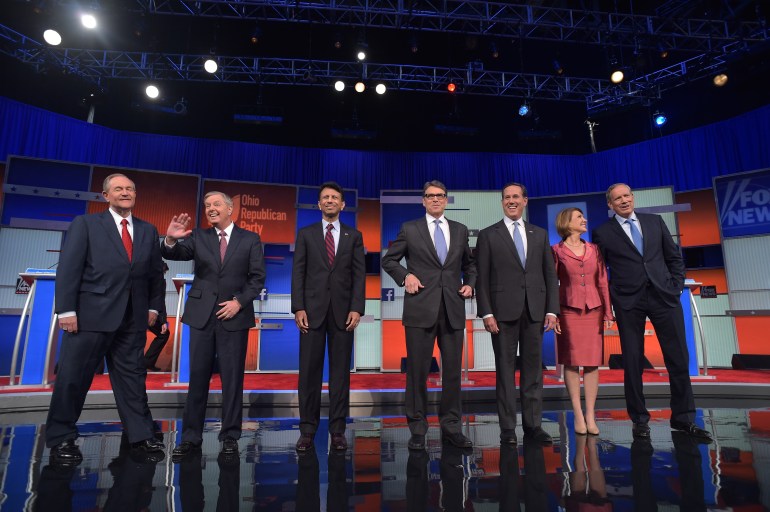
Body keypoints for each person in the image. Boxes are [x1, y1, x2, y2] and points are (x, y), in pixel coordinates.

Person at [46, 173, 165, 466]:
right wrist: (67, 310)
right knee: (74, 378)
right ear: (105, 196)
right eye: (118, 189)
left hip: (132, 318)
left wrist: (154, 308)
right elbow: (69, 268)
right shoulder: (86, 225)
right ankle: (62, 438)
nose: (125, 193)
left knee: (133, 380)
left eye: (129, 189)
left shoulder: (148, 231)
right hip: (89, 316)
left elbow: (154, 276)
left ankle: (140, 435)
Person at [592, 183, 712, 442]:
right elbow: (600, 273)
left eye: (627, 196)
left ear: (632, 198)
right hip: (628, 301)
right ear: (610, 205)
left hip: (663, 297)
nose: (623, 201)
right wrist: (610, 301)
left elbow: (674, 258)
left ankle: (684, 419)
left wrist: (676, 286)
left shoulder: (654, 222)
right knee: (633, 363)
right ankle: (639, 420)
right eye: (617, 198)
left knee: (678, 358)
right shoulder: (602, 232)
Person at [162, 191, 266, 459]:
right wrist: (171, 239)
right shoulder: (198, 236)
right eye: (207, 205)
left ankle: (230, 436)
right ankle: (191, 437)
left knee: (232, 379)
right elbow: (176, 253)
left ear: (230, 209)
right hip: (201, 316)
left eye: (216, 204)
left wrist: (239, 303)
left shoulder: (250, 239)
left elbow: (257, 278)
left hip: (234, 315)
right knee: (197, 378)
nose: (210, 209)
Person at [381, 180, 476, 451]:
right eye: (429, 196)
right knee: (418, 373)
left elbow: (470, 265)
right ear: (423, 201)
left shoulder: (459, 230)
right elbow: (389, 260)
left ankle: (451, 427)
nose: (435, 199)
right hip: (420, 309)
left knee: (453, 374)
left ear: (446, 200)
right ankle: (418, 428)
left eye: (440, 195)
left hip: (452, 309)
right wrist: (406, 276)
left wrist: (470, 283)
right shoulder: (410, 229)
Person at [475, 182, 559, 445]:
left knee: (534, 372)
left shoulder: (540, 234)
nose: (511, 201)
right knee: (505, 372)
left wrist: (552, 310)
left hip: (534, 311)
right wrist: (486, 312)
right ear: (502, 202)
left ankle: (533, 426)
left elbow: (549, 274)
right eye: (506, 197)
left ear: (525, 200)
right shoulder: (489, 235)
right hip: (501, 313)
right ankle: (508, 429)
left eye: (516, 197)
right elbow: (482, 277)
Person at [292, 182, 366, 453]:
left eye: (335, 197)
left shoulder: (353, 236)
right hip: (310, 314)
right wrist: (298, 307)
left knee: (339, 376)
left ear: (343, 204)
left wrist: (357, 307)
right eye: (325, 197)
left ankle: (338, 430)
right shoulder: (306, 234)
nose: (330, 200)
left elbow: (358, 276)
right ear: (319, 204)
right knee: (308, 375)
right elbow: (298, 273)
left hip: (343, 314)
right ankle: (307, 430)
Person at [552, 207, 614, 436]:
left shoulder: (594, 249)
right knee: (571, 362)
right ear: (567, 223)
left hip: (594, 309)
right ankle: (577, 415)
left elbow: (603, 281)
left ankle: (590, 414)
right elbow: (552, 284)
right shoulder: (555, 251)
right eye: (579, 217)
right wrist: (553, 313)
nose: (584, 220)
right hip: (568, 310)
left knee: (592, 362)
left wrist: (608, 312)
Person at [144, 262, 171, 371]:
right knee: (163, 334)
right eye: (164, 272)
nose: (164, 274)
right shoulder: (159, 281)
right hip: (148, 313)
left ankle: (146, 362)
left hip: (137, 311)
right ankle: (146, 362)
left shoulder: (144, 277)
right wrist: (163, 321)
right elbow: (160, 301)